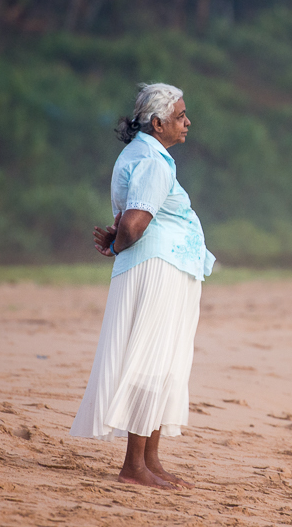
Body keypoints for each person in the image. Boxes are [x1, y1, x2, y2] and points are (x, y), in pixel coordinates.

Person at [71, 83, 216, 489]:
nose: (188, 122)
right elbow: (134, 223)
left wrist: (116, 241)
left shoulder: (143, 154)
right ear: (158, 123)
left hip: (164, 266)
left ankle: (150, 461)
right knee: (152, 361)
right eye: (181, 116)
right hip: (158, 269)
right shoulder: (153, 162)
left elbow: (127, 223)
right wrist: (118, 242)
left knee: (164, 361)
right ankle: (134, 466)